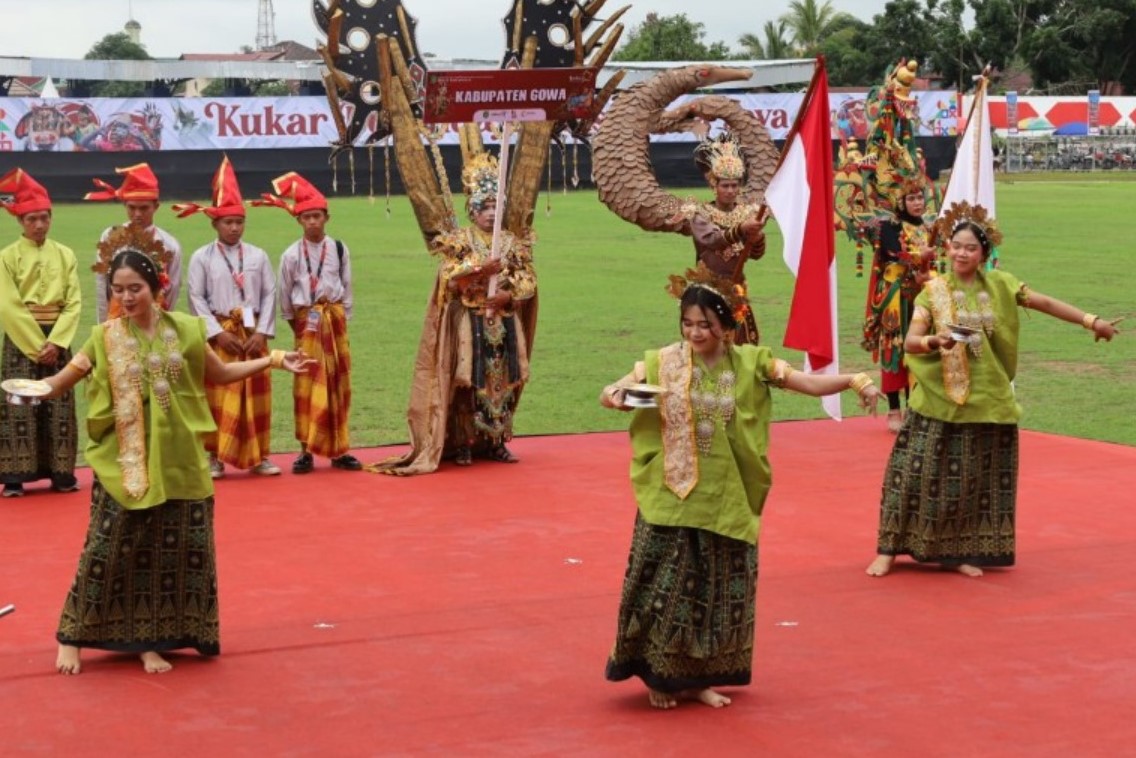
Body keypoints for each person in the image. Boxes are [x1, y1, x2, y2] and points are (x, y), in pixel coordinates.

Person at [18, 249, 312, 674]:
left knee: (166, 554)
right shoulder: (103, 336)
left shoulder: (188, 331)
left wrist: (276, 359)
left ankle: (149, 640)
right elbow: (60, 383)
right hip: (127, 462)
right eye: (117, 290)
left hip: (179, 460)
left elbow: (220, 375)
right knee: (107, 549)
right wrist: (29, 389)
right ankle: (73, 636)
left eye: (134, 288)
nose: (126, 297)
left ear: (157, 288)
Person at [601, 264, 881, 709]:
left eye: (705, 325)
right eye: (688, 324)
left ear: (727, 327)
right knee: (666, 590)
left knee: (717, 589)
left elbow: (804, 382)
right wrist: (616, 393)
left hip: (729, 497)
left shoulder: (753, 363)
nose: (695, 333)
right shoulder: (663, 361)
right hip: (672, 495)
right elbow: (617, 389)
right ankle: (662, 676)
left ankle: (700, 679)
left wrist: (854, 380)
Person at [866, 202, 1121, 578]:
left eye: (970, 247)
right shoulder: (933, 291)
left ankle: (965, 553)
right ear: (947, 248)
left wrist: (1091, 320)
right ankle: (888, 550)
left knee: (975, 481)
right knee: (909, 475)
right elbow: (910, 343)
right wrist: (936, 342)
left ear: (984, 253)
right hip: (937, 398)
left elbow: (1044, 302)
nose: (961, 253)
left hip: (989, 399)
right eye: (956, 246)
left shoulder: (1001, 285)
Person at [376, 151, 536, 473]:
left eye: (495, 207)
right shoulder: (460, 240)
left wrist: (508, 294)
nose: (490, 214)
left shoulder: (511, 242)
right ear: (473, 211)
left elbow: (529, 280)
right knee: (468, 381)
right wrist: (480, 267)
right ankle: (463, 441)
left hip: (503, 320)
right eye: (484, 208)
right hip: (470, 320)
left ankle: (495, 441)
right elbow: (448, 277)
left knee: (502, 382)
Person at [178, 157, 280, 479]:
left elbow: (269, 294)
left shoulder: (258, 256)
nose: (234, 228)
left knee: (256, 394)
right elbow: (196, 298)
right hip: (221, 335)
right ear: (215, 225)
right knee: (218, 396)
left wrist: (261, 333)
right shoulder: (201, 258)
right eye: (228, 223)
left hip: (252, 334)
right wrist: (216, 334)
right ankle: (214, 456)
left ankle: (259, 454)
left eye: (239, 222)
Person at [256, 172, 362, 474]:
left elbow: (347, 287)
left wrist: (342, 321)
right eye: (306, 217)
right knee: (306, 385)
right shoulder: (291, 255)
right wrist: (299, 328)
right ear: (299, 221)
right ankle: (305, 449)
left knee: (338, 385)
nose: (312, 222)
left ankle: (340, 449)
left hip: (335, 321)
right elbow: (285, 297)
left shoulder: (340, 249)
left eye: (317, 216)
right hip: (307, 326)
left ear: (326, 217)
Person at [0, 169, 81, 498]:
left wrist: (57, 341)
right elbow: (8, 304)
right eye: (32, 219)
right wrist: (37, 345)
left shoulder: (65, 254)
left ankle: (61, 473)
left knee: (59, 406)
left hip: (57, 337)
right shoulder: (7, 257)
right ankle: (15, 475)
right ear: (20, 221)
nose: (38, 225)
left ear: (51, 217)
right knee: (19, 404)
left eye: (44, 218)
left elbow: (74, 301)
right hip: (22, 339)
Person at [861, 177, 936, 432]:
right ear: (900, 202)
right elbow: (893, 254)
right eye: (911, 198)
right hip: (896, 297)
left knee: (921, 348)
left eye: (919, 197)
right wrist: (918, 257)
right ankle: (894, 408)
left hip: (922, 295)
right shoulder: (889, 227)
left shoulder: (928, 228)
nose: (917, 202)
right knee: (895, 349)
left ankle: (915, 407)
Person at [683, 133, 766, 344]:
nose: (731, 191)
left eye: (735, 185)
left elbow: (756, 255)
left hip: (737, 286)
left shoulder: (749, 212)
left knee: (742, 342)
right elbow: (711, 240)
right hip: (707, 287)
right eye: (725, 186)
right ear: (714, 186)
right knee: (708, 339)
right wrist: (741, 229)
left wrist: (757, 239)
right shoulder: (699, 212)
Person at [85, 162, 183, 322]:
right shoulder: (110, 237)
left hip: (154, 321)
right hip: (116, 320)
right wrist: (102, 325)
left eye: (144, 208)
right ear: (125, 205)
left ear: (156, 206)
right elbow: (102, 285)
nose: (137, 214)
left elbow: (173, 289)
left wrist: (163, 322)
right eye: (132, 208)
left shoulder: (169, 245)